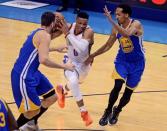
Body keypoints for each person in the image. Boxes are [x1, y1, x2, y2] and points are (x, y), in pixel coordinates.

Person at [10, 11, 74, 130]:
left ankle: (31, 124)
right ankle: (12, 128)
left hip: (32, 72)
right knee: (32, 111)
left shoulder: (39, 32)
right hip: (23, 75)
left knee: (52, 97)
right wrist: (65, 66)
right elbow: (44, 60)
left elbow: (41, 47)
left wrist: (56, 48)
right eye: (58, 20)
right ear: (53, 22)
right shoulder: (44, 35)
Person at [85, 4, 145, 126]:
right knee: (117, 85)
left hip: (138, 63)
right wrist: (93, 55)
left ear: (126, 15)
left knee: (128, 93)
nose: (116, 16)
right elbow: (108, 45)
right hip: (122, 61)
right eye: (115, 14)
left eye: (118, 14)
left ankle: (117, 111)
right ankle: (107, 111)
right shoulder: (115, 28)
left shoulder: (136, 24)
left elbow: (127, 34)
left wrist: (111, 20)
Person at [56, 11, 94, 126]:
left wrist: (67, 34)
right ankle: (84, 112)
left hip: (84, 64)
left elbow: (81, 48)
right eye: (79, 23)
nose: (82, 26)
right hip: (70, 61)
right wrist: (56, 18)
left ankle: (63, 91)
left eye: (84, 24)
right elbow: (52, 30)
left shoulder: (89, 31)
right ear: (76, 20)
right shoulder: (69, 26)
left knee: (76, 83)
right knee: (73, 82)